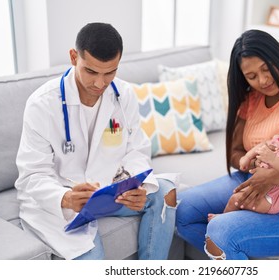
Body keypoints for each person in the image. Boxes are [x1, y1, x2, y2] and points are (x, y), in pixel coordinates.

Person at [15, 22, 177, 260]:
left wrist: (137, 186)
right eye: (91, 72)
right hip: (62, 202)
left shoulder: (124, 95)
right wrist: (65, 197)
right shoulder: (41, 105)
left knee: (164, 192)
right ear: (73, 57)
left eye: (110, 72)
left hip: (105, 192)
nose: (100, 84)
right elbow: (32, 175)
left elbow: (135, 150)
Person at [176, 29, 279, 260]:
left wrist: (273, 176)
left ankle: (231, 246)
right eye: (252, 76)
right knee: (182, 210)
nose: (262, 80)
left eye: (266, 68)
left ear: (278, 57)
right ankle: (234, 255)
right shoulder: (251, 99)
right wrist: (254, 162)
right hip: (254, 177)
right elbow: (235, 153)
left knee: (220, 230)